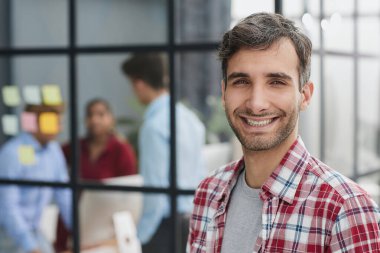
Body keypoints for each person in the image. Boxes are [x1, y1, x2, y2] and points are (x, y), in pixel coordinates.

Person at [187, 12, 380, 253]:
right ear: (224, 92)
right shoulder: (208, 192)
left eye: (276, 82)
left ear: (305, 95)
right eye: (241, 81)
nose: (256, 103)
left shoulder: (345, 208)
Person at [122, 53, 206, 253]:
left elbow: (156, 190)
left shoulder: (154, 126)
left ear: (139, 84)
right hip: (192, 222)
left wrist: (142, 235)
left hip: (165, 229)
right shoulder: (190, 118)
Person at [54, 98, 137, 251]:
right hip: (74, 216)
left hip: (104, 223)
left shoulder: (121, 150)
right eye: (90, 115)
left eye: (100, 114)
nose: (95, 120)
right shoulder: (76, 146)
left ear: (111, 119)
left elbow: (129, 193)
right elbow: (52, 158)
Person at [0, 104, 72, 253]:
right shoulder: (12, 153)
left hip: (33, 231)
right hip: (8, 235)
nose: (58, 128)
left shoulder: (53, 151)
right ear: (34, 123)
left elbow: (64, 195)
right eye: (53, 122)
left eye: (58, 122)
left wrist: (79, 231)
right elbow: (7, 206)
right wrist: (30, 246)